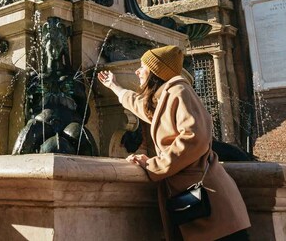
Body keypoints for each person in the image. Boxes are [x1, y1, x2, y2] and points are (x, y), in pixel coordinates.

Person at [98, 46, 251, 241]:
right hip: (197, 201)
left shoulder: (179, 91)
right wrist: (114, 86)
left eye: (142, 66)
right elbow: (143, 108)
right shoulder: (165, 96)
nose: (137, 71)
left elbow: (194, 138)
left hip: (211, 204)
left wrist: (153, 165)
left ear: (156, 71)